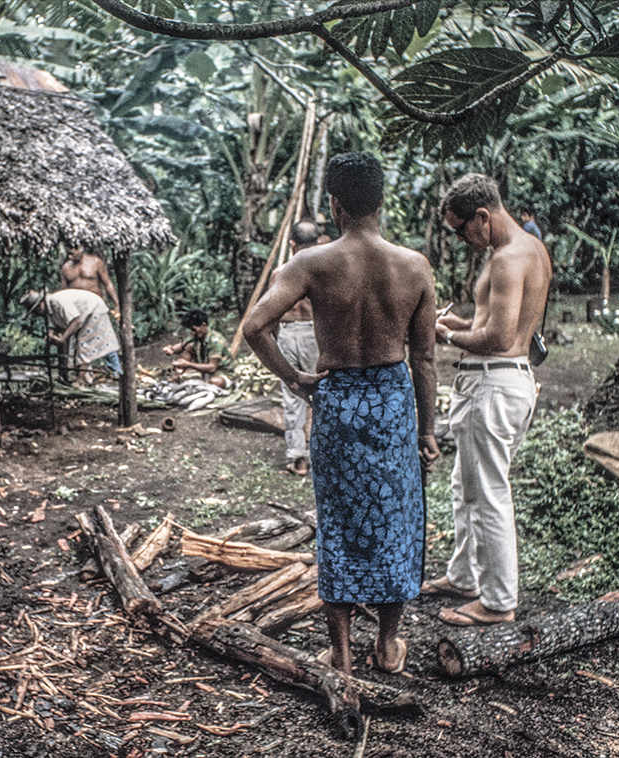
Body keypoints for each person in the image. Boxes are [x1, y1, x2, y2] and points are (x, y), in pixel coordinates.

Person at [243, 152, 439, 676]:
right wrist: (428, 429)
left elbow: (255, 327)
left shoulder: (311, 264)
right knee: (396, 520)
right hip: (393, 402)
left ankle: (342, 653)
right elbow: (424, 357)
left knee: (339, 523)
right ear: (380, 201)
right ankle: (389, 642)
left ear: (335, 204)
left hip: (337, 400)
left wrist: (294, 378)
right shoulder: (414, 266)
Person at [423, 173, 551, 626]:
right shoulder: (531, 249)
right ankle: (463, 575)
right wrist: (459, 322)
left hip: (493, 383)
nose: (461, 239)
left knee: (489, 493)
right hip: (509, 380)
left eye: (461, 229)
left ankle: (497, 602)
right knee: (466, 486)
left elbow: (497, 338)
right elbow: (507, 325)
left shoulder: (506, 259)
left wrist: (445, 333)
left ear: (483, 216)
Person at [272, 219, 322, 476]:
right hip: (314, 333)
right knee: (321, 391)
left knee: (292, 395)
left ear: (292, 244)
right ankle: (318, 453)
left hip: (287, 332)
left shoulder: (280, 274)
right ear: (317, 243)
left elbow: (269, 315)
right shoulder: (323, 272)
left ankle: (298, 457)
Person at [22, 288, 121, 382]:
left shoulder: (57, 301)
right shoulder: (49, 309)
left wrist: (63, 338)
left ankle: (89, 378)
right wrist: (50, 336)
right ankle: (71, 374)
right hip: (83, 315)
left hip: (93, 309)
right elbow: (54, 326)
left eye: (37, 309)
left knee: (86, 345)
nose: (38, 312)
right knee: (93, 343)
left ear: (41, 304)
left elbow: (76, 321)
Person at [161, 309, 234, 388]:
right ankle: (178, 374)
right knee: (188, 347)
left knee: (216, 382)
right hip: (206, 373)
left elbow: (212, 367)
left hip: (221, 373)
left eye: (193, 329)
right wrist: (171, 349)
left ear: (203, 325)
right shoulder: (196, 335)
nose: (192, 332)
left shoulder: (216, 340)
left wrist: (188, 364)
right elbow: (181, 346)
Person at [60, 245, 120, 318]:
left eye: (72, 254)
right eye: (69, 254)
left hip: (95, 304)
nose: (70, 257)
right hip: (77, 307)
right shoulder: (66, 268)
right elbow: (64, 291)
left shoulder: (96, 262)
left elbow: (107, 284)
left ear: (80, 250)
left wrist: (117, 303)